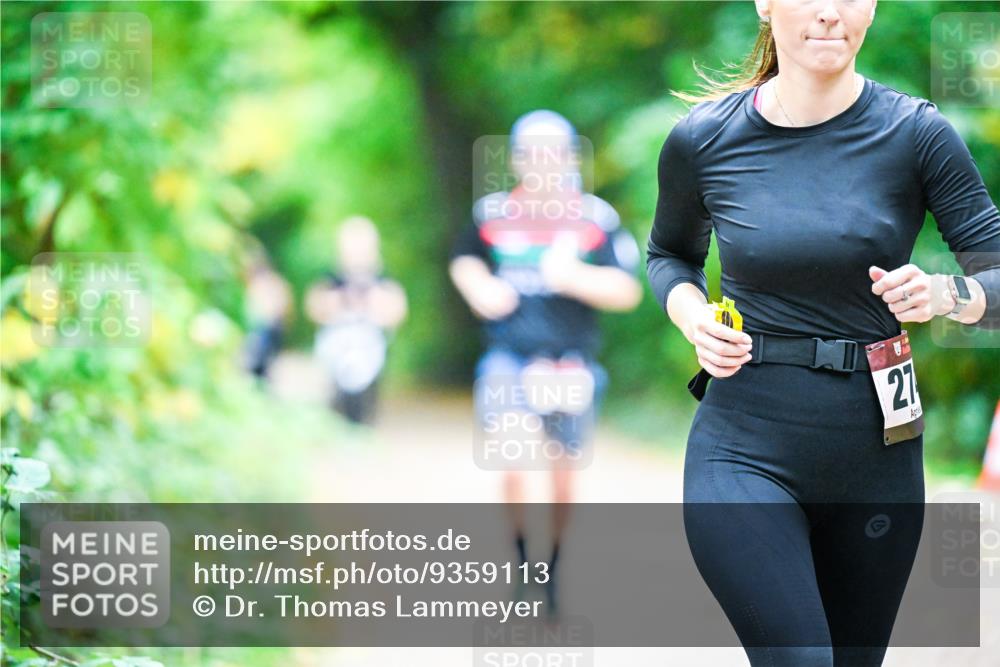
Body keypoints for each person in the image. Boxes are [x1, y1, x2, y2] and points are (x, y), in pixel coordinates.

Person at [647, 1, 1000, 665]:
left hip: (878, 454)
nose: (830, 13)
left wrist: (950, 293)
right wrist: (695, 315)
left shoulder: (915, 133)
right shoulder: (704, 138)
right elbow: (670, 255)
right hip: (744, 446)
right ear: (766, 4)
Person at [450, 109, 643, 616]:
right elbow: (464, 257)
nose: (542, 164)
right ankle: (521, 567)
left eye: (552, 154)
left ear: (566, 159)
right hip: (509, 359)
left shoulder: (594, 219)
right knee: (512, 459)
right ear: (517, 160)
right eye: (532, 154)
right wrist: (478, 285)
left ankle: (552, 568)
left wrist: (573, 275)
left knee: (561, 476)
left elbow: (626, 290)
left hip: (570, 365)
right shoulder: (492, 213)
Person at [305, 216, 407, 424]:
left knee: (368, 392)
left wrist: (378, 305)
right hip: (339, 345)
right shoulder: (331, 277)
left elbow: (397, 310)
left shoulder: (382, 278)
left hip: (371, 345)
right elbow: (315, 307)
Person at [242, 249, 292, 384]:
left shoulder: (271, 282)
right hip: (262, 328)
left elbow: (282, 307)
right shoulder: (260, 283)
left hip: (269, 328)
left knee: (263, 362)